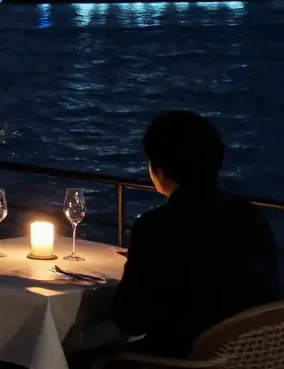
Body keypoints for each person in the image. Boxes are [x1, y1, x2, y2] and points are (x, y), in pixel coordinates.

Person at [111, 111, 280, 358]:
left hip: (181, 362)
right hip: (248, 357)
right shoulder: (251, 216)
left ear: (158, 170)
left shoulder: (156, 226)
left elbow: (130, 321)